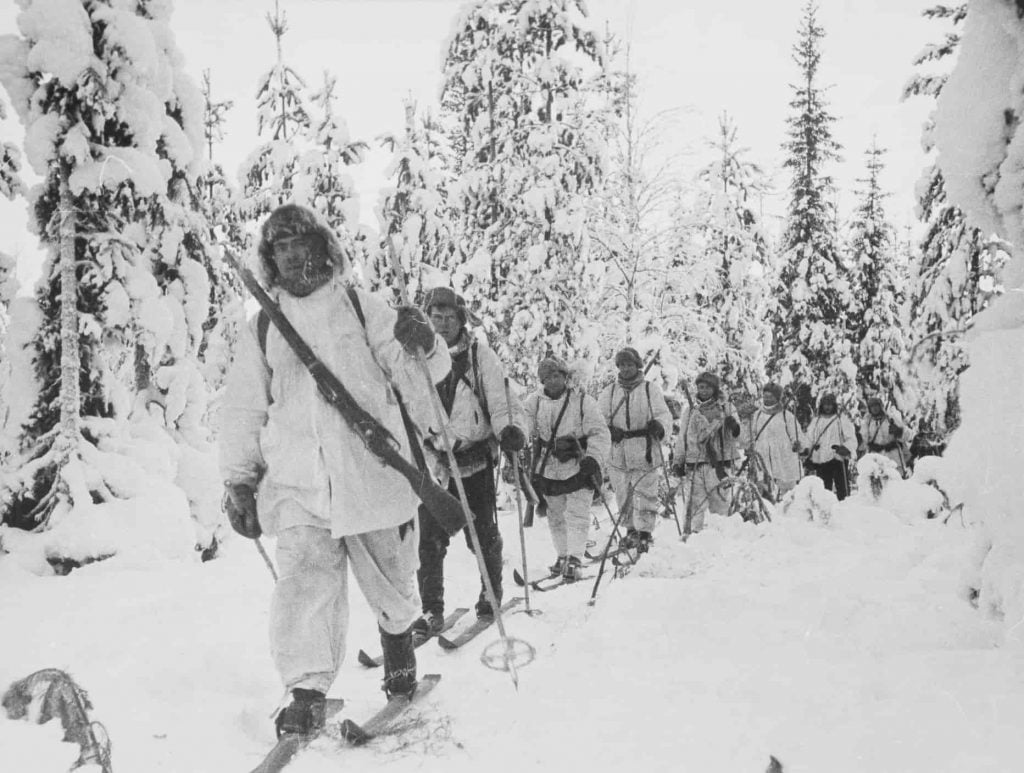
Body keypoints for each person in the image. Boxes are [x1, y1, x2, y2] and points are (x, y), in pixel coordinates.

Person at [218, 203, 450, 738]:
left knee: (390, 577)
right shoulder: (262, 328)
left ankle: (398, 649)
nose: (294, 253)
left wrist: (426, 342)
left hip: (371, 473)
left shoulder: (360, 307)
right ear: (269, 257)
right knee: (303, 587)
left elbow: (422, 369)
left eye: (302, 241)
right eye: (281, 246)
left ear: (325, 246)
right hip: (297, 482)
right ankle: (306, 690)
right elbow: (245, 407)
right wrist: (239, 479)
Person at [413, 287, 527, 637]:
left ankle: (490, 595)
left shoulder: (480, 356)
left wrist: (510, 429)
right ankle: (431, 609)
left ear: (461, 320)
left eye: (450, 317)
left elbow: (502, 400)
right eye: (437, 317)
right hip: (434, 464)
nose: (443, 324)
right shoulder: (415, 356)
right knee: (430, 540)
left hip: (474, 459)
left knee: (482, 534)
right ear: (428, 319)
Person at [525, 357, 610, 581]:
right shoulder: (535, 402)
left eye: (557, 376)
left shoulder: (582, 401)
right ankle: (562, 555)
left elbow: (599, 432)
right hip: (549, 467)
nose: (553, 381)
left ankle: (574, 557)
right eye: (548, 377)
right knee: (555, 515)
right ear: (542, 380)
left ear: (565, 376)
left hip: (578, 463)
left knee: (577, 514)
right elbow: (523, 423)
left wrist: (594, 457)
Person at [598, 347, 672, 553]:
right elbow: (598, 419)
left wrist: (659, 426)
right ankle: (630, 530)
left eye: (630, 364)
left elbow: (663, 415)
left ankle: (645, 533)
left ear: (637, 365)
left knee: (646, 492)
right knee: (623, 494)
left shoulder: (650, 389)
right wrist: (609, 430)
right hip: (618, 451)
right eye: (622, 365)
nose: (626, 368)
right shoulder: (610, 392)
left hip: (644, 449)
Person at [671, 372, 741, 533]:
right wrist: (678, 461)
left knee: (721, 503)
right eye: (701, 387)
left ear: (715, 388)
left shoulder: (727, 408)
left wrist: (734, 427)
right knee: (694, 505)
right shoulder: (690, 411)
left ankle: (722, 535)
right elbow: (682, 437)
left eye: (708, 387)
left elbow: (739, 435)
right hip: (695, 464)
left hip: (720, 465)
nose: (703, 390)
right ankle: (692, 536)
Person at [741, 383, 804, 499]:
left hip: (784, 458)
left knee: (789, 492)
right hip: (762, 459)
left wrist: (797, 443)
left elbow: (797, 435)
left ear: (777, 398)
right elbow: (748, 437)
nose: (767, 399)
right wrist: (749, 444)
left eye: (771, 397)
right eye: (765, 396)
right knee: (764, 491)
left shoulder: (786, 415)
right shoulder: (757, 415)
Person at [804, 392, 857, 500]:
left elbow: (851, 437)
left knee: (842, 488)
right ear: (821, 405)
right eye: (825, 404)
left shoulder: (840, 419)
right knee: (823, 489)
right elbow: (809, 439)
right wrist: (806, 451)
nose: (827, 407)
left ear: (834, 405)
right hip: (821, 459)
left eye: (830, 404)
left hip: (837, 457)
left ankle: (845, 509)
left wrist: (846, 448)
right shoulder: (816, 421)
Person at [859, 396, 907, 475]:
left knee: (895, 480)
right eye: (872, 406)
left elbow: (907, 434)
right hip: (876, 457)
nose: (874, 408)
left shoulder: (890, 418)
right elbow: (864, 439)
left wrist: (898, 431)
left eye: (876, 405)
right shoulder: (867, 421)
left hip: (892, 456)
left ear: (880, 406)